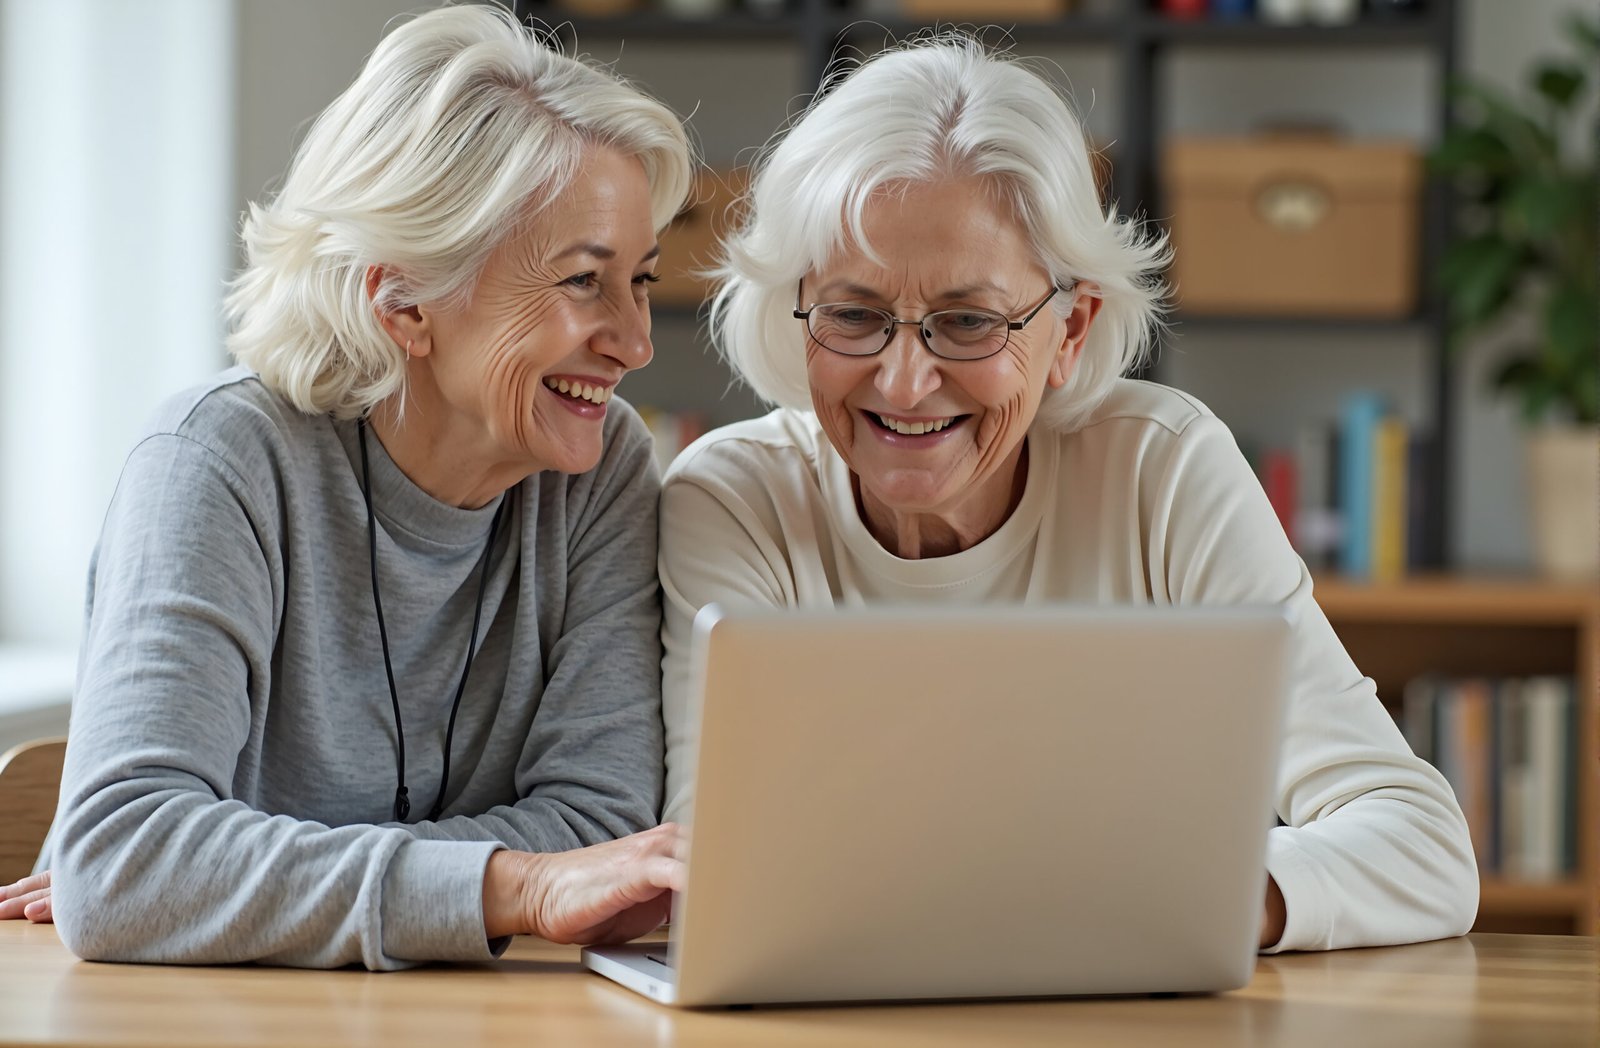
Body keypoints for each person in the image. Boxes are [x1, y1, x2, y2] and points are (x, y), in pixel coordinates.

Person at [657, 36, 1478, 953]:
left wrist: (1209, 902)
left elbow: (1422, 845)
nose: (903, 381)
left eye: (966, 321)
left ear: (1071, 329)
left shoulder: (1160, 471)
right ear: (795, 308)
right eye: (853, 314)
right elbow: (708, 876)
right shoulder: (733, 500)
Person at [0, 6, 692, 969]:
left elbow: (602, 834)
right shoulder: (218, 459)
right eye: (584, 282)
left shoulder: (602, 470)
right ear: (403, 300)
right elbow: (127, 864)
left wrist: (225, 878)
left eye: (642, 280)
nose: (635, 342)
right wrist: (515, 883)